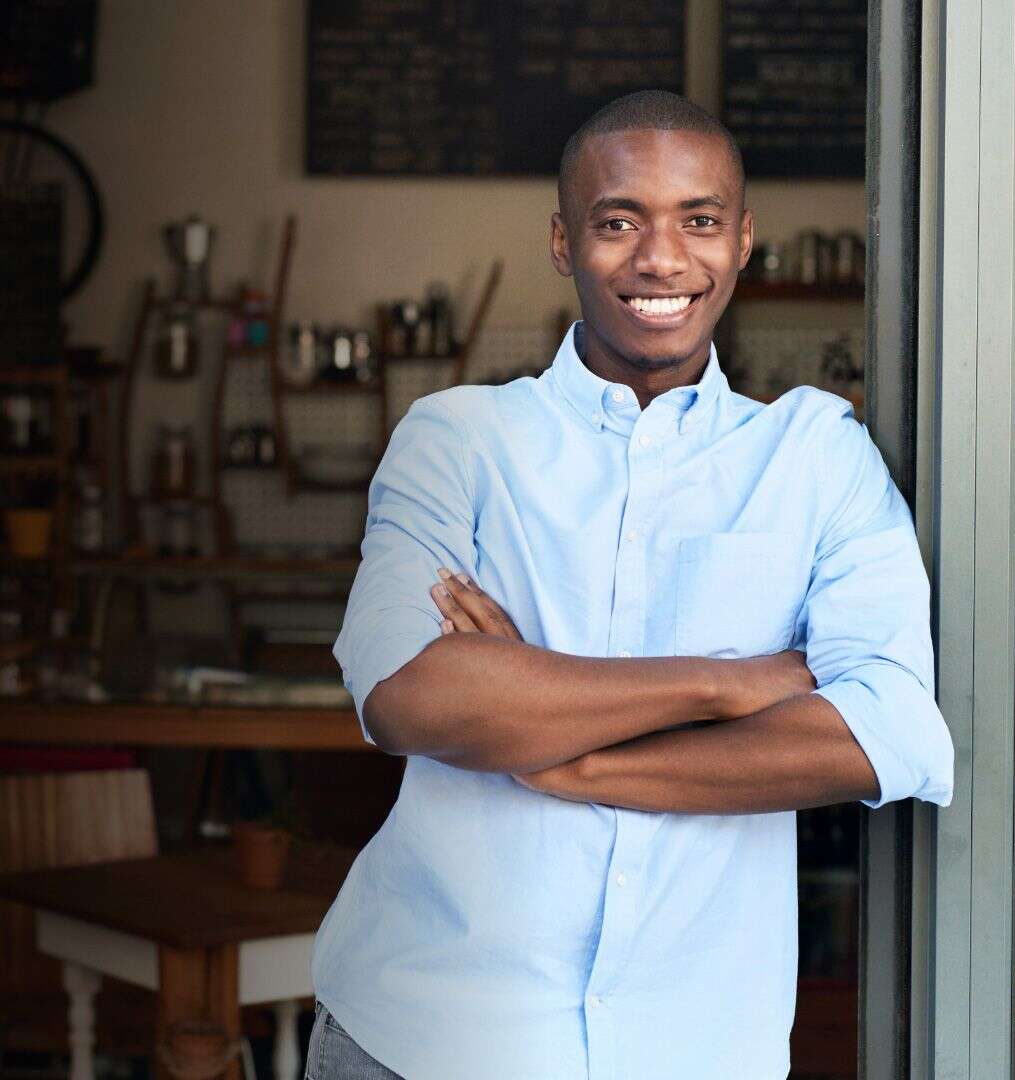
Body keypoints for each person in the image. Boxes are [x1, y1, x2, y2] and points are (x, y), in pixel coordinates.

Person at [305, 90, 955, 1079]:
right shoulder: (458, 442)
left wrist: (558, 754)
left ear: (743, 241)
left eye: (698, 220)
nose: (661, 260)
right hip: (422, 1034)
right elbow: (406, 696)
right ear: (565, 242)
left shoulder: (819, 457)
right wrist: (725, 685)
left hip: (694, 1046)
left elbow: (892, 732)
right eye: (620, 222)